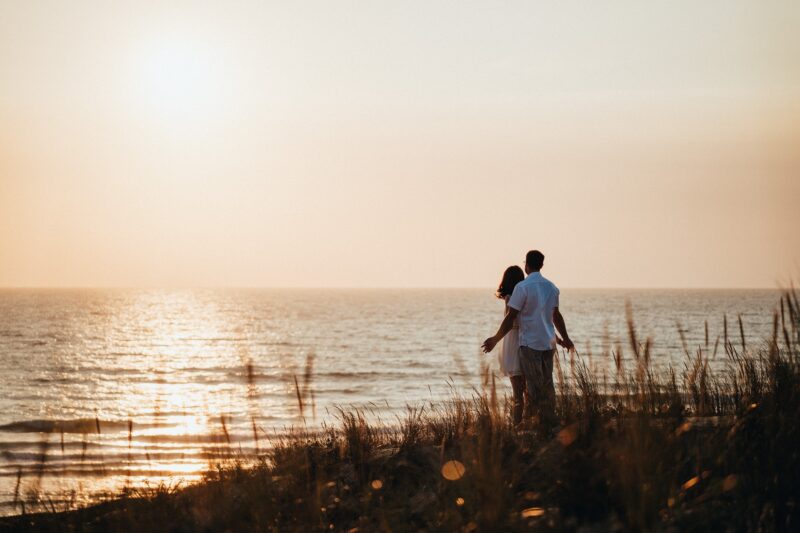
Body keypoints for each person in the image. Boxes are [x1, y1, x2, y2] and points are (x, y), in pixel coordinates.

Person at [482, 250, 574, 428]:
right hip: (547, 345)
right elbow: (552, 317)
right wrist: (565, 339)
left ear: (527, 265)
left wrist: (495, 339)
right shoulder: (551, 287)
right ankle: (544, 420)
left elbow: (511, 318)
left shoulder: (523, 288)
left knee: (531, 390)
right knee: (546, 385)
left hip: (529, 344)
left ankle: (530, 425)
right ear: (542, 264)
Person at [494, 265, 526, 425]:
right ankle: (524, 422)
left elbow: (510, 322)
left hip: (512, 342)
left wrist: (495, 339)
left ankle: (517, 424)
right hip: (523, 339)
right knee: (525, 390)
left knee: (517, 392)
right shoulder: (524, 297)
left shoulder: (509, 298)